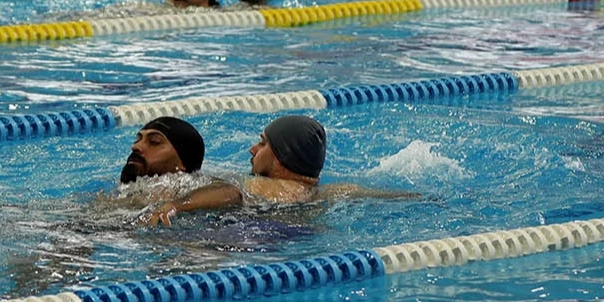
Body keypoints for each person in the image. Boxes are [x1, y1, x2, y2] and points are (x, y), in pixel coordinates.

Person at [147, 114, 415, 224]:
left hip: (243, 230)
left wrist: (177, 205)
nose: (252, 149)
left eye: (262, 144)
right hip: (293, 237)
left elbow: (231, 193)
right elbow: (392, 197)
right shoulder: (329, 191)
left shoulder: (260, 185)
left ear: (282, 156)